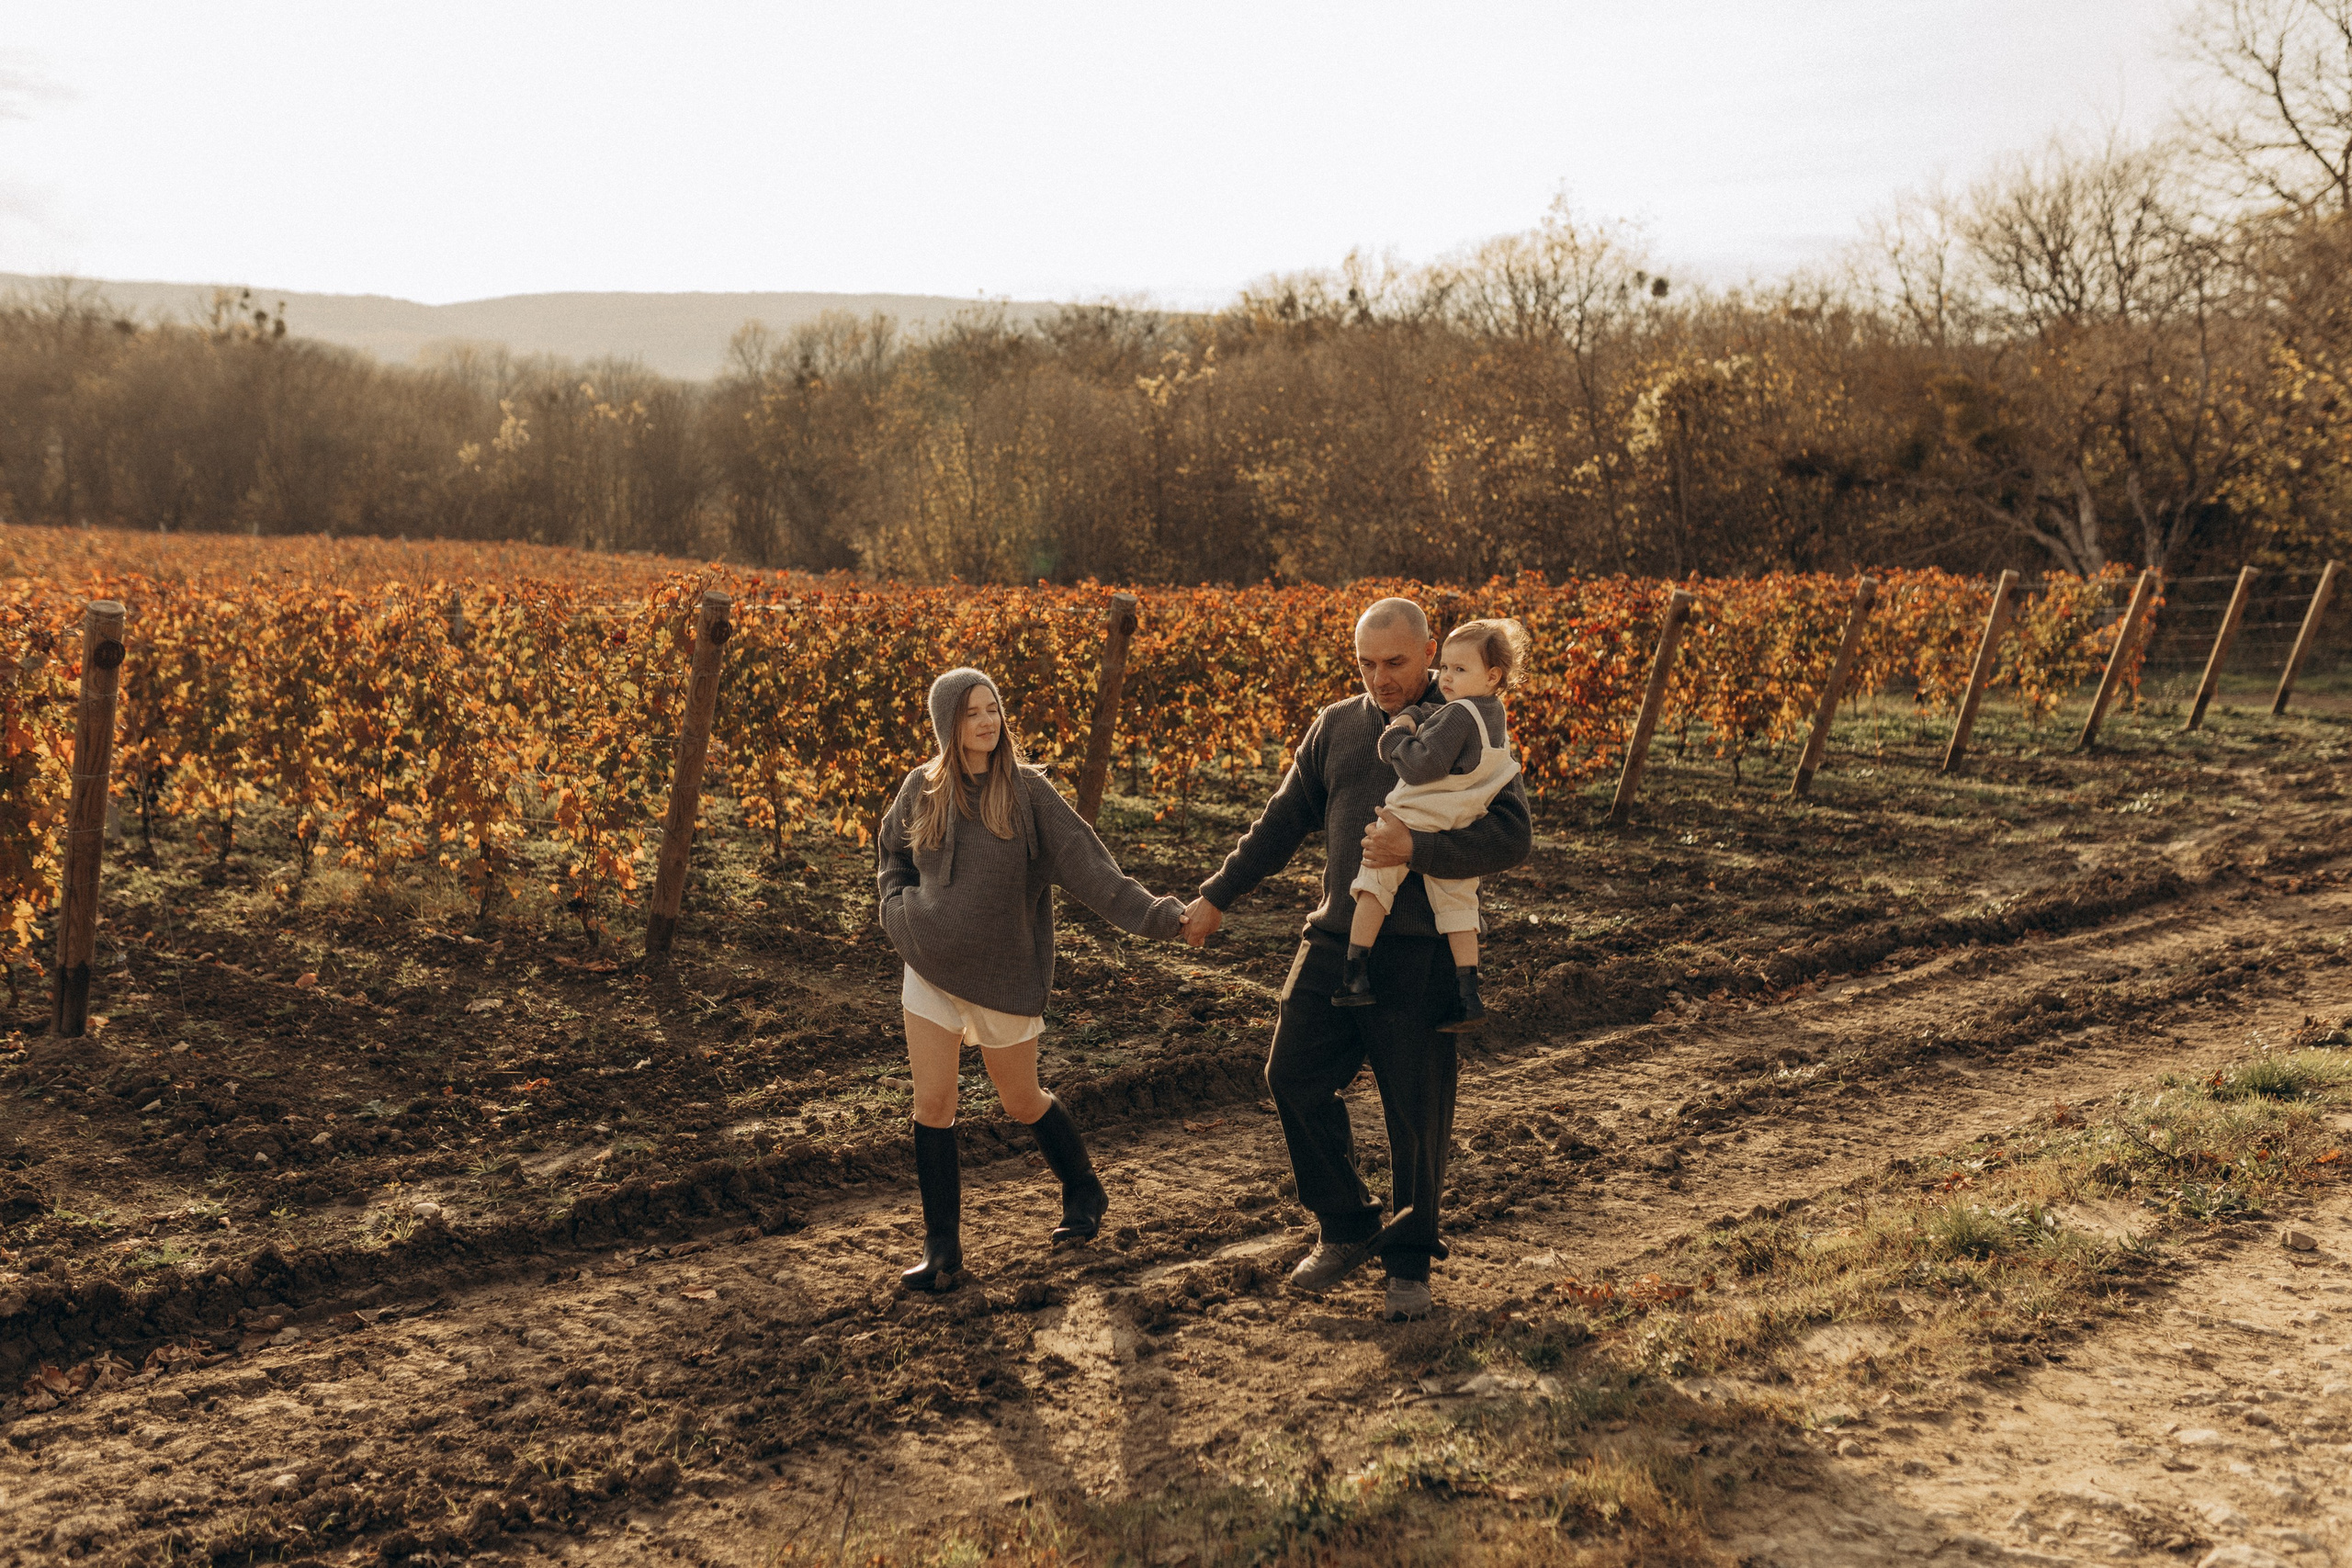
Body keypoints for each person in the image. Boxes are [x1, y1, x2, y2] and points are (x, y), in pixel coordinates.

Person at [1180, 600, 1533, 1321]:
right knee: (1292, 1075)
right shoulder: (1338, 726)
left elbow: (1512, 836)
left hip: (1422, 952)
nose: (1380, 678)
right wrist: (1218, 895)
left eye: (1396, 663)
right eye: (1367, 664)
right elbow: (1282, 821)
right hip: (1337, 938)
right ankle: (1345, 1225)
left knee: (1416, 1113)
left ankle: (1408, 1266)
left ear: (1430, 652)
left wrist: (1419, 850)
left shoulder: (1465, 723)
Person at [876, 667, 1185, 1292]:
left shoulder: (1027, 793)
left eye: (993, 708)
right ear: (946, 725)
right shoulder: (921, 789)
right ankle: (942, 1250)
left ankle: (1083, 1187)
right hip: (930, 964)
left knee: (1020, 1099)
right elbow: (892, 856)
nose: (988, 721)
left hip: (1003, 973)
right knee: (933, 1104)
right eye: (971, 712)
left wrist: (1159, 915)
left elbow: (1092, 870)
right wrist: (897, 910)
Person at [1336, 616, 1530, 1032]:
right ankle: (1468, 996)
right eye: (1445, 668)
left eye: (1460, 670)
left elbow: (1423, 764)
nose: (1446, 678)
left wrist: (1393, 737)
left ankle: (1354, 972)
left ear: (1492, 675)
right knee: (1459, 904)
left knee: (1374, 882)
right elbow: (1443, 719)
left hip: (1422, 813)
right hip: (1462, 819)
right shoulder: (1493, 715)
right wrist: (1420, 715)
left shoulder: (1458, 714)